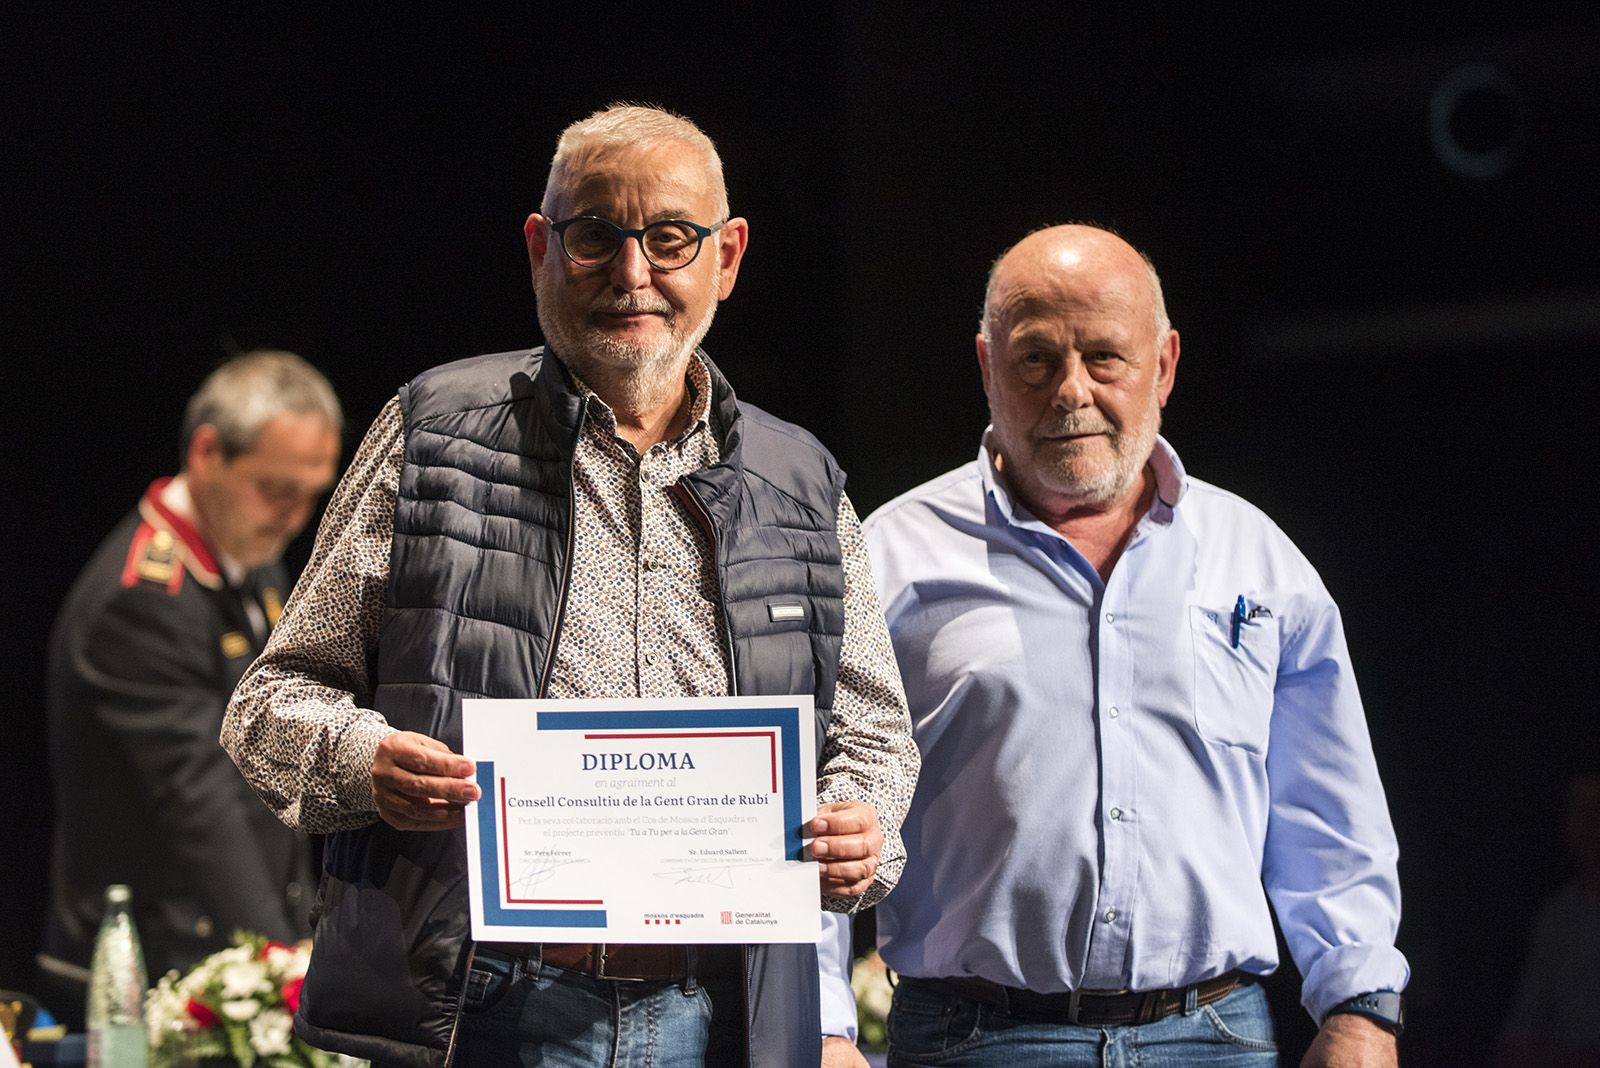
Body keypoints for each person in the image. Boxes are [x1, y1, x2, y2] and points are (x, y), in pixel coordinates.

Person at [222, 103, 918, 1068]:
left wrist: (859, 829)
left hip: (725, 1011)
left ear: (728, 256)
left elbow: (874, 731)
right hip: (485, 1006)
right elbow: (270, 703)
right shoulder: (435, 434)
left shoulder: (797, 481)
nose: (634, 275)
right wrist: (363, 761)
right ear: (542, 248)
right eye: (596, 238)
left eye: (671, 239)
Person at [825, 224, 1409, 1067]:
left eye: (1105, 356)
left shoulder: (1260, 560)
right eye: (1035, 359)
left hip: (1216, 1036)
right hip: (976, 1041)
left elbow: (1328, 811)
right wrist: (825, 1028)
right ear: (987, 367)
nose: (1071, 391)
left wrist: (1359, 1009)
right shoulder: (892, 559)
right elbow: (822, 813)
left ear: (1164, 365)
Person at [41, 350, 342, 1023]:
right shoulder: (144, 603)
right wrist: (284, 960)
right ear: (208, 453)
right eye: (276, 488)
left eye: (311, 493)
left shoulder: (249, 563)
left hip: (227, 949)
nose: (297, 515)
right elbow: (197, 797)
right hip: (153, 973)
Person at [1494, 771, 1600, 1067]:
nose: (1590, 827)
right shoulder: (1558, 914)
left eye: (1596, 813)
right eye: (1580, 814)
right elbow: (1523, 1026)